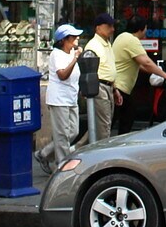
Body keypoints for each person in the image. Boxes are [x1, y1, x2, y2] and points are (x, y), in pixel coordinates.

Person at [108, 15, 166, 132]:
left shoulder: (121, 37)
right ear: (141, 29)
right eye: (146, 28)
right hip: (120, 88)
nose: (147, 31)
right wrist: (165, 75)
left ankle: (117, 143)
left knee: (123, 118)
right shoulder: (132, 40)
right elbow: (146, 62)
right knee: (121, 120)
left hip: (119, 87)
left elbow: (140, 65)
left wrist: (155, 72)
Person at [38, 25, 85, 172]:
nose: (77, 38)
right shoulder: (56, 55)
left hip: (71, 98)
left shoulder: (71, 53)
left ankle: (44, 153)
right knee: (62, 134)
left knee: (73, 131)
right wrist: (75, 58)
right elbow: (62, 75)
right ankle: (62, 166)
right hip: (59, 99)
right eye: (73, 36)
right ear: (64, 40)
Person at [84, 14, 120, 144]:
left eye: (113, 26)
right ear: (98, 28)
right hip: (99, 87)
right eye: (109, 26)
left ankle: (77, 149)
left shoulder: (107, 43)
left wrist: (115, 88)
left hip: (108, 87)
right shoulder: (93, 46)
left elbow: (110, 66)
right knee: (104, 126)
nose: (112, 29)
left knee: (101, 125)